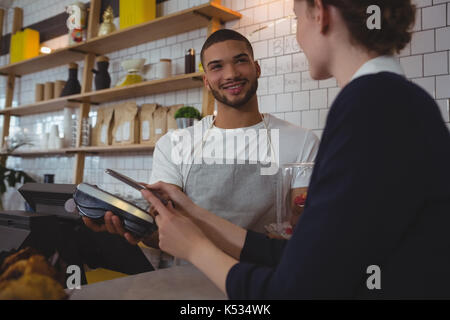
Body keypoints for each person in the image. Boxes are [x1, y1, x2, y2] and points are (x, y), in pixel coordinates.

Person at [140, 0, 450, 298]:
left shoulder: (368, 107)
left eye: (296, 17)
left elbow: (295, 291)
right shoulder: (393, 100)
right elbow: (306, 256)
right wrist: (192, 212)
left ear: (320, 12)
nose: (298, 34)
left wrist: (195, 248)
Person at [83, 30, 319, 248]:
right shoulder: (174, 144)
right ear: (206, 81)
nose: (231, 74)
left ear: (257, 68)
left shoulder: (301, 141)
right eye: (216, 67)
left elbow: (304, 228)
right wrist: (136, 228)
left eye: (240, 60)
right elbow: (164, 233)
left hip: (267, 282)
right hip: (191, 283)